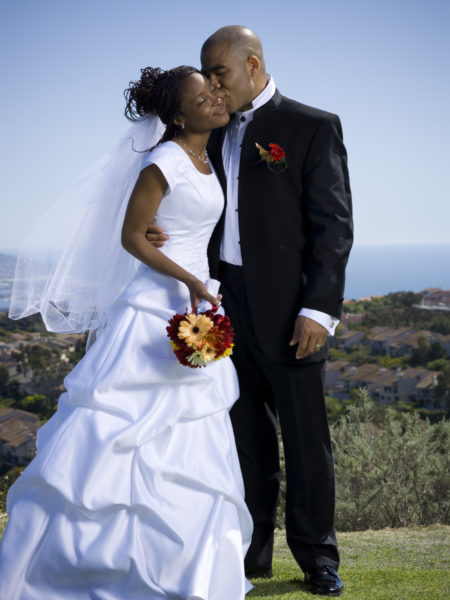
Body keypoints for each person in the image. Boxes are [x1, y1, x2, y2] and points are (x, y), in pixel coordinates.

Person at [0, 66, 253, 600]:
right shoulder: (163, 160)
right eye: (201, 94)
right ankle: (83, 568)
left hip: (197, 302)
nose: (214, 95)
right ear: (177, 115)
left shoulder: (210, 154)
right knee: (119, 437)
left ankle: (193, 567)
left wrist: (199, 286)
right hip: (159, 306)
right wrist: (189, 281)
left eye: (214, 87)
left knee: (193, 439)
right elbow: (133, 237)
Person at [147, 26, 353, 597]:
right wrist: (159, 226)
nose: (211, 86)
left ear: (253, 65)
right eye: (206, 76)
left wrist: (319, 309)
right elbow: (177, 190)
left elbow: (333, 229)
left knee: (307, 439)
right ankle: (250, 552)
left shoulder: (312, 127)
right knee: (243, 438)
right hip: (222, 307)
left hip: (293, 314)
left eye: (220, 74)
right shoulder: (204, 130)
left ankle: (318, 559)